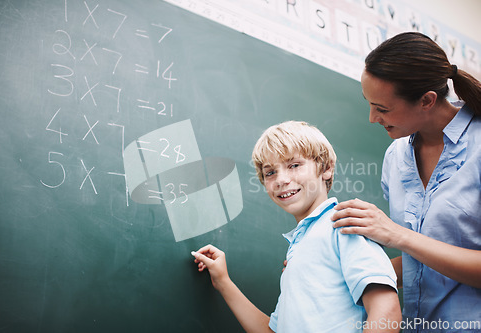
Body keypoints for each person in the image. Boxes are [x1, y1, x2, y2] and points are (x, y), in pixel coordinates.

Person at [332, 32, 481, 332]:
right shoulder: (396, 157)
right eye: (370, 104)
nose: (372, 117)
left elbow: (408, 242)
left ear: (426, 100)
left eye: (383, 108)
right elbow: (421, 267)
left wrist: (398, 235)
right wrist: (338, 272)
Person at [192, 121, 401, 332]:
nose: (281, 179)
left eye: (294, 165)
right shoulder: (299, 247)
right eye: (270, 172)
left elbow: (386, 311)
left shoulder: (344, 225)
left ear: (326, 168)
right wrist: (223, 282)